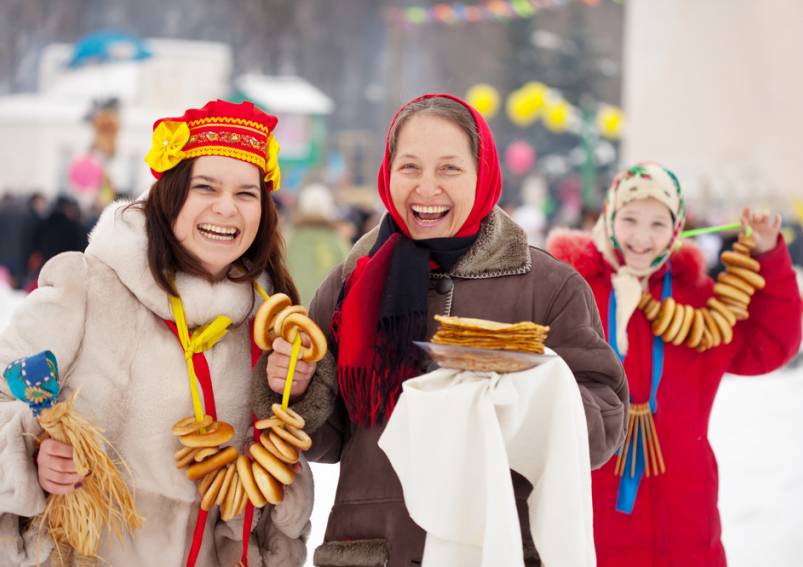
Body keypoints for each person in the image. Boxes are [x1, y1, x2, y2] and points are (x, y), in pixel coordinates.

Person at [251, 94, 629, 567]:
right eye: (410, 167)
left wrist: (522, 402)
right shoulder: (351, 282)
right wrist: (294, 386)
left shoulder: (550, 287)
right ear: (388, 174)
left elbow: (605, 424)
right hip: (371, 550)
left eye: (449, 168)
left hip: (500, 550)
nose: (426, 188)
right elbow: (328, 439)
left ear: (484, 173)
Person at [0, 100, 313, 566]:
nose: (226, 208)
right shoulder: (86, 287)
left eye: (247, 194)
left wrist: (293, 393)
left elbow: (274, 494)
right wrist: (31, 456)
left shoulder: (269, 324)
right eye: (205, 187)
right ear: (170, 195)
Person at [546, 162, 802, 567]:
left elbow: (769, 346)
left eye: (657, 223)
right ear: (609, 218)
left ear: (677, 229)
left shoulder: (700, 298)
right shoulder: (570, 289)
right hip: (592, 505)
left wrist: (768, 255)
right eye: (629, 219)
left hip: (685, 512)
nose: (642, 237)